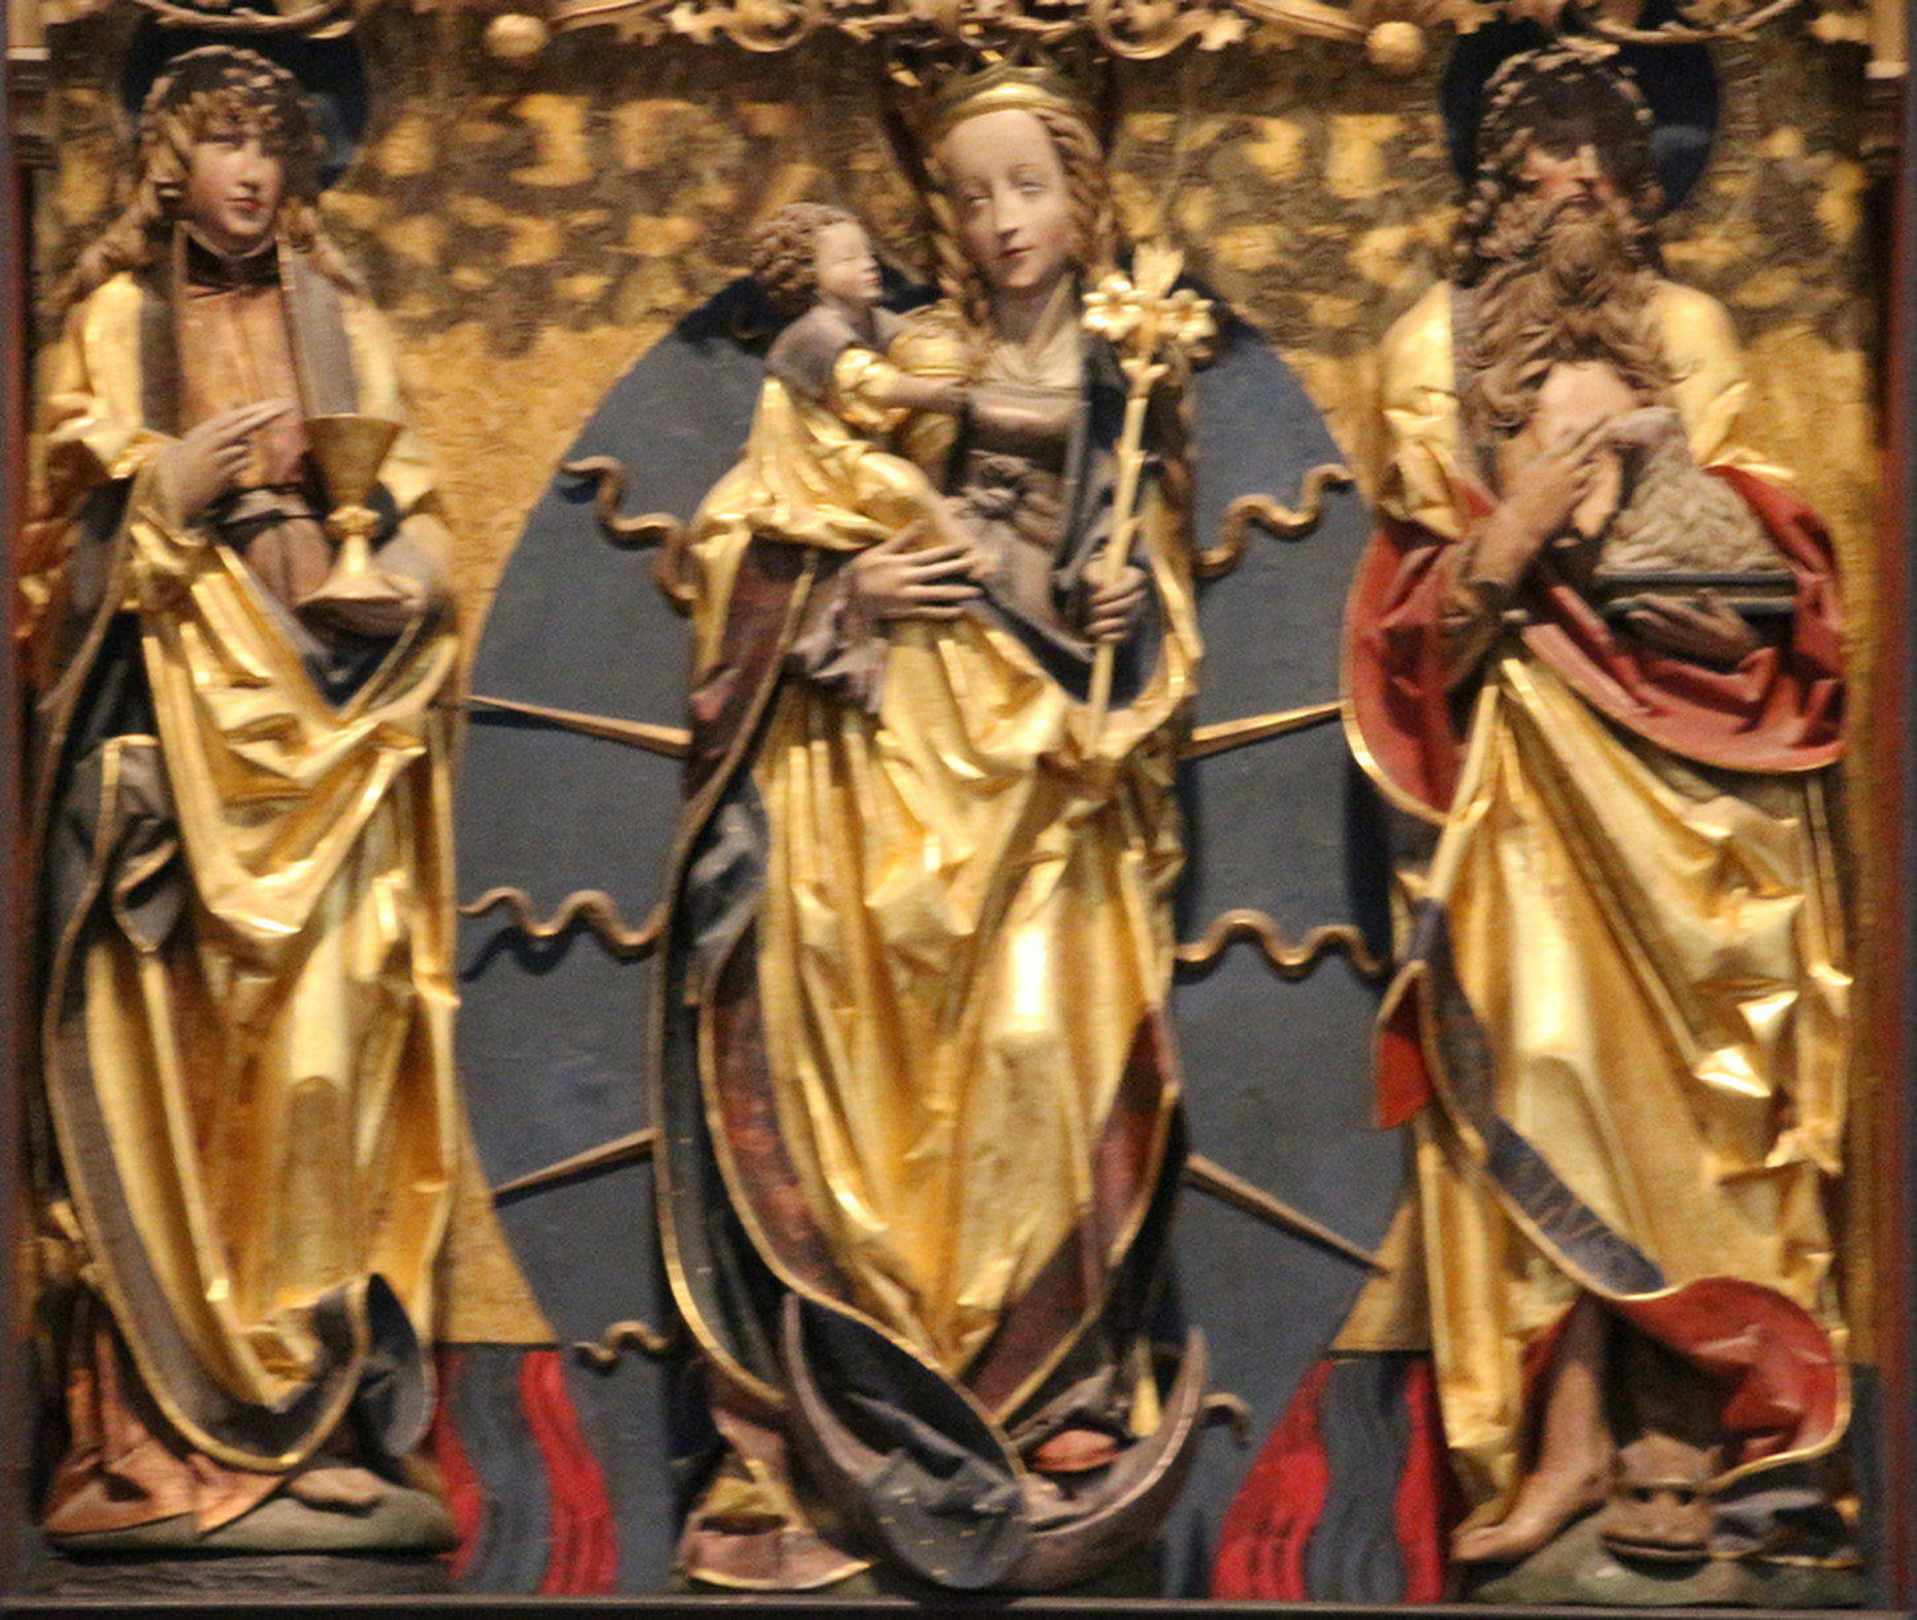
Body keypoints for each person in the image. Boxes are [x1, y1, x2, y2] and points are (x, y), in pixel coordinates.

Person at [653, 62, 1204, 1592]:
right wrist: (845, 590)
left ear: (1081, 193)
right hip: (891, 737)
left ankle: (1049, 1394)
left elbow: (1154, 570)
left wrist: (1133, 605)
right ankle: (861, 1403)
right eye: (968, 197)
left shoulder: (1131, 365)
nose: (1000, 220)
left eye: (1026, 186)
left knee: (1040, 1045)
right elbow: (745, 519)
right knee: (849, 1038)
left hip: (1050, 760)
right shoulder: (903, 352)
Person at [24, 46, 552, 1549]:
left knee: (325, 1071)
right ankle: (162, 1420)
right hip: (174, 764)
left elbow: (421, 520)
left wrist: (412, 589)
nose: (251, 170)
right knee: (173, 1083)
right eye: (222, 141)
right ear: (167, 162)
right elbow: (49, 560)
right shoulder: (116, 326)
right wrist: (168, 489)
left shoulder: (345, 322)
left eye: (273, 144)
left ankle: (316, 1415)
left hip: (330, 739)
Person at [1334, 45, 1850, 1571]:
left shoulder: (1684, 331)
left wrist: (1698, 571)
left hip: (1702, 789)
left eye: (1601, 154)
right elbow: (1424, 603)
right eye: (1541, 150)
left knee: (1704, 1104)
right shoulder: (1432, 345)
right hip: (1529, 766)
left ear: (1639, 188)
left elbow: (1758, 563)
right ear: (1491, 183)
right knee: (1541, 1063)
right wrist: (1524, 527)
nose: (1572, 180)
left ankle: (1682, 1430)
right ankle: (1559, 1439)